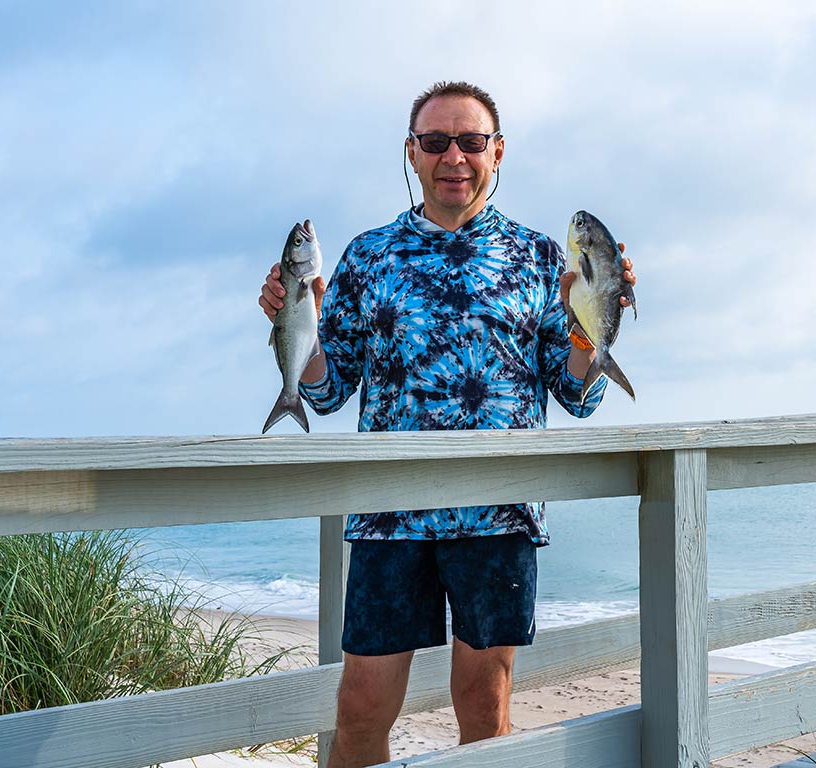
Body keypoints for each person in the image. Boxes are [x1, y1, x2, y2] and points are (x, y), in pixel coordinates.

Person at [258, 81, 636, 768]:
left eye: (470, 141)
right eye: (436, 142)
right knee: (360, 707)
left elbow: (576, 395)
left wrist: (594, 315)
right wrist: (295, 326)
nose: (453, 156)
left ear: (497, 152)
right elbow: (328, 387)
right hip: (388, 515)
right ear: (412, 152)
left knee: (484, 709)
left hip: (500, 511)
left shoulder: (543, 257)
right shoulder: (369, 256)